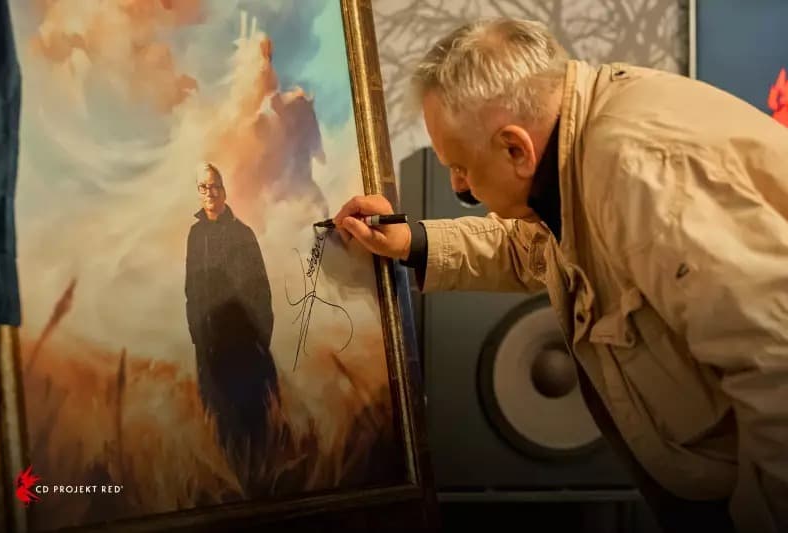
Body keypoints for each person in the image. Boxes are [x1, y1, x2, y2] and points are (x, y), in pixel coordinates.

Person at [332, 18, 788, 533]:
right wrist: (412, 242)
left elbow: (778, 367)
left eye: (460, 168)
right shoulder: (579, 144)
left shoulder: (640, 175)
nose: (460, 186)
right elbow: (537, 247)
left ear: (515, 149)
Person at [185, 162, 279, 496]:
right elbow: (190, 291)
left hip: (244, 346)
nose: (209, 193)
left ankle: (260, 496)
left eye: (214, 186)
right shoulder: (195, 236)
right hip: (209, 347)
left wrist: (260, 341)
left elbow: (261, 292)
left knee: (253, 424)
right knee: (220, 425)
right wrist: (198, 338)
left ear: (224, 190)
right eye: (203, 187)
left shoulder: (243, 235)